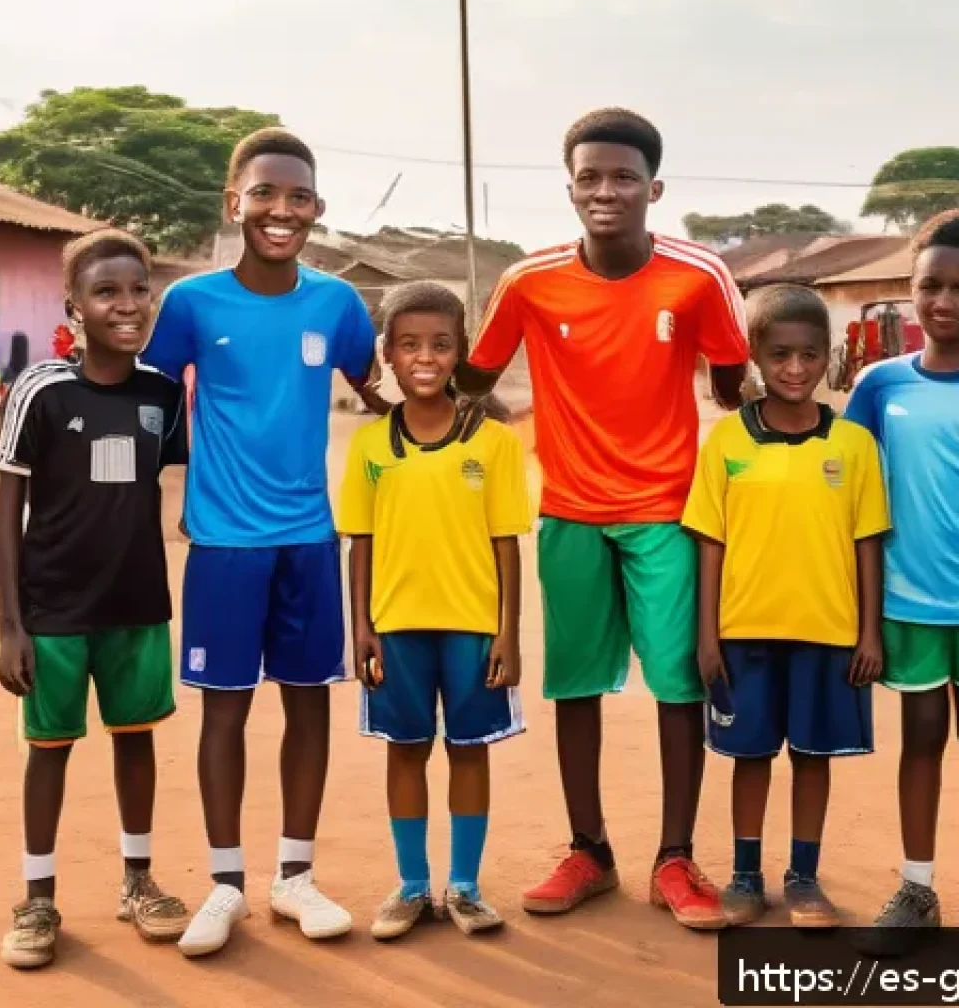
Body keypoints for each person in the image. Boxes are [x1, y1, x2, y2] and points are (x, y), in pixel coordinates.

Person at [457, 107, 749, 929]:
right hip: (570, 512)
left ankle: (675, 859)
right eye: (590, 177)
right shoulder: (529, 280)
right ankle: (589, 849)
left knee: (678, 684)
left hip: (666, 513)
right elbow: (475, 381)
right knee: (576, 685)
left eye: (623, 177)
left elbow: (733, 389)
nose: (606, 191)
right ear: (570, 188)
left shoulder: (698, 277)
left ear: (654, 187)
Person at [140, 127, 382, 957]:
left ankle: (296, 877)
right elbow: (155, 406)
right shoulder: (192, 304)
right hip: (224, 545)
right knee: (226, 711)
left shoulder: (338, 305)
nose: (283, 211)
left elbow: (379, 391)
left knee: (309, 701)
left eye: (300, 198)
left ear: (318, 209)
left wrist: (461, 421)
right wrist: (167, 499)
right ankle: (225, 884)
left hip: (309, 541)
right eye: (266, 194)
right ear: (233, 201)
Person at [0, 228, 191, 969]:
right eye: (106, 292)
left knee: (135, 740)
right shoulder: (41, 390)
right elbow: (7, 511)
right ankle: (38, 897)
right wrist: (11, 624)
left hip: (137, 605)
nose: (127, 304)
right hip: (53, 610)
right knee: (50, 750)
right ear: (74, 307)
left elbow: (173, 489)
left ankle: (138, 882)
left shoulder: (164, 395)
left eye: (139, 289)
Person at [682, 285, 888, 928]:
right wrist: (707, 635)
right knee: (750, 755)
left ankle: (804, 878)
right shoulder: (726, 444)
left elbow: (868, 543)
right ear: (755, 359)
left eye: (807, 355)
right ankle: (746, 877)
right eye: (779, 356)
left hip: (828, 632)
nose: (794, 369)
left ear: (828, 358)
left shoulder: (852, 446)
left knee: (812, 755)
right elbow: (709, 543)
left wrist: (870, 633)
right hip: (744, 632)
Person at [338, 282, 530, 940]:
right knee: (405, 750)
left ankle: (466, 887)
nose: (425, 357)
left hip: (474, 628)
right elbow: (358, 543)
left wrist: (509, 632)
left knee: (469, 750)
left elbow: (507, 544)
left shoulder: (494, 442)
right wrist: (361, 626)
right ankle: (413, 885)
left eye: (441, 344)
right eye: (410, 344)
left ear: (461, 354)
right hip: (395, 627)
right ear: (387, 354)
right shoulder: (369, 446)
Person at [845, 210, 959, 952]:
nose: (945, 300)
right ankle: (917, 889)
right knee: (920, 739)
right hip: (911, 604)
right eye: (931, 286)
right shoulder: (879, 384)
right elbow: (848, 495)